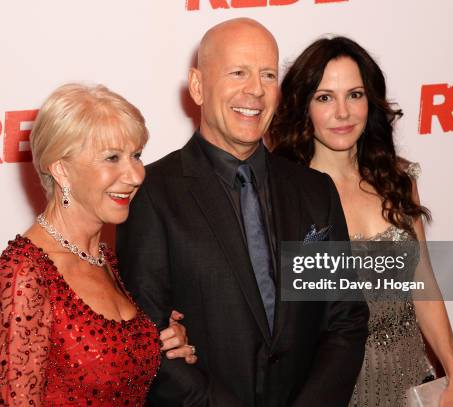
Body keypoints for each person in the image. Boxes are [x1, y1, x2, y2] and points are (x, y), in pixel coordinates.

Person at [116, 18, 369, 407]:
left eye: (268, 75)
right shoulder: (152, 194)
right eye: (238, 72)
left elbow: (345, 320)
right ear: (198, 86)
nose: (255, 90)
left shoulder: (314, 190)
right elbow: (149, 340)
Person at [268, 37, 453, 407]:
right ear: (304, 106)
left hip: (412, 383)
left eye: (355, 94)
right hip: (331, 391)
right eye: (325, 97)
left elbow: (423, 282)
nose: (343, 112)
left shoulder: (397, 179)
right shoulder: (285, 196)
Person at [0, 83, 196, 406]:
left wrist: (161, 342)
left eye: (136, 156)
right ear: (62, 170)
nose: (136, 175)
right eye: (112, 158)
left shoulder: (102, 257)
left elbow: (106, 363)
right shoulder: (26, 274)